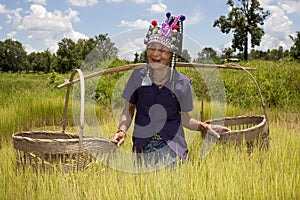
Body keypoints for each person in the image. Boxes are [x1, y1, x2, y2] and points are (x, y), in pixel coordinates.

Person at [109, 12, 230, 168]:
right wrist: (122, 131)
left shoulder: (182, 83)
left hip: (173, 150)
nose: (155, 54)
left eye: (163, 50)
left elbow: (185, 119)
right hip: (142, 149)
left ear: (174, 56)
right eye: (151, 47)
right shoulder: (137, 76)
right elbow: (129, 109)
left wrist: (205, 127)